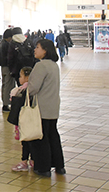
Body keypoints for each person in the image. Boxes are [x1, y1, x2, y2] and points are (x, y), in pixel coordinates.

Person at [28, 39, 65, 177]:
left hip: (41, 108)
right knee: (53, 136)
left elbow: (33, 88)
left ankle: (43, 168)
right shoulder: (54, 65)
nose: (35, 50)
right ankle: (59, 166)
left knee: (40, 138)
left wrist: (23, 90)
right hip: (53, 106)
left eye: (37, 47)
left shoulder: (41, 66)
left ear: (45, 50)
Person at [7, 66, 37, 172]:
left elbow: (13, 99)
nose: (19, 78)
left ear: (27, 77)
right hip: (33, 120)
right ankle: (33, 160)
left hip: (24, 120)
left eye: (21, 76)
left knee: (25, 141)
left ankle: (24, 161)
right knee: (32, 141)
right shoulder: (35, 88)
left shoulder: (21, 90)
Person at [0, 28, 14, 112]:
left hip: (3, 66)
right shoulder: (7, 44)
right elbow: (9, 57)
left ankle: (5, 102)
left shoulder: (0, 43)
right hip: (7, 67)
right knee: (8, 85)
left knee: (4, 85)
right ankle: (6, 104)